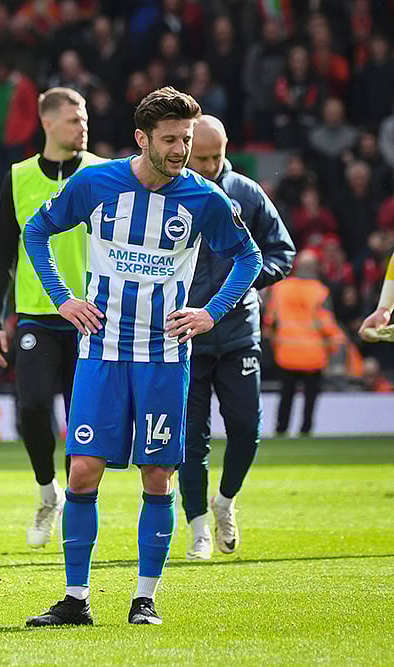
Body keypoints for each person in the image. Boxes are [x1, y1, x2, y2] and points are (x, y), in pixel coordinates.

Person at [23, 87, 262, 626]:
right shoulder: (94, 182)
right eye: (171, 140)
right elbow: (37, 231)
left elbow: (249, 257)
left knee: (158, 475)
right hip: (101, 351)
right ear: (142, 139)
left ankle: (144, 599)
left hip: (163, 355)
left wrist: (211, 311)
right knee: (83, 472)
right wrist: (63, 299)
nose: (181, 150)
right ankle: (75, 599)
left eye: (187, 139)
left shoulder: (204, 198)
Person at [0, 87, 106, 548]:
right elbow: (1, 255)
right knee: (32, 407)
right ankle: (46, 491)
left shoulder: (102, 173)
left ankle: (78, 504)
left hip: (91, 315)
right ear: (48, 122)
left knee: (83, 418)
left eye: (85, 118)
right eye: (75, 119)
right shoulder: (17, 177)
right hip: (36, 313)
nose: (83, 126)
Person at [179, 114, 295, 560]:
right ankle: (197, 529)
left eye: (217, 156)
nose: (209, 165)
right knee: (191, 439)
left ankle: (225, 501)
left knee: (247, 429)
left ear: (227, 148)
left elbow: (283, 250)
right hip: (185, 333)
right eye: (200, 157)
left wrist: (247, 282)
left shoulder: (246, 192)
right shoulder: (173, 192)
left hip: (238, 330)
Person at [264, 250, 343, 436]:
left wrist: (274, 340)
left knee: (286, 394)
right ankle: (305, 429)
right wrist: (334, 345)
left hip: (286, 352)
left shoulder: (280, 288)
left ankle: (281, 428)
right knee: (310, 396)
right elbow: (327, 323)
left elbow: (270, 319)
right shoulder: (320, 291)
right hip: (314, 354)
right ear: (315, 268)